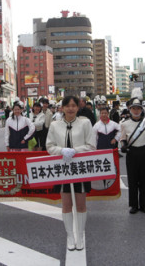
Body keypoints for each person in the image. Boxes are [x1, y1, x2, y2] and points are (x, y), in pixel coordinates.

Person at [46, 95, 96, 251]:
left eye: (73, 105)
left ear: (78, 107)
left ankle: (80, 236)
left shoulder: (85, 123)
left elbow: (92, 145)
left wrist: (75, 151)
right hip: (62, 168)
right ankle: (70, 236)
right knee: (66, 204)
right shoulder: (55, 125)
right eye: (67, 106)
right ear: (62, 108)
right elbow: (49, 146)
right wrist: (62, 151)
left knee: (81, 204)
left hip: (80, 168)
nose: (70, 108)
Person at [120, 88, 145, 215]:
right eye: (134, 108)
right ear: (130, 110)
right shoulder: (125, 124)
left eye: (138, 109)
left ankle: (144, 205)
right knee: (132, 180)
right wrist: (123, 146)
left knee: (144, 180)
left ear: (142, 110)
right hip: (132, 154)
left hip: (144, 153)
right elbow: (123, 138)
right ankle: (134, 205)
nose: (136, 111)